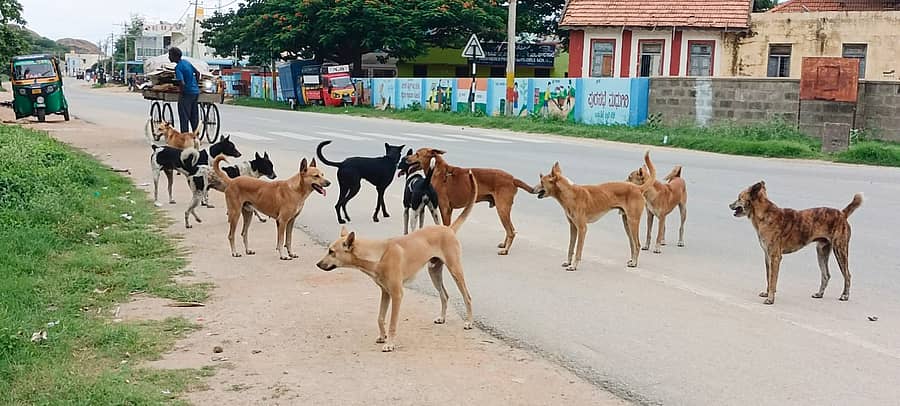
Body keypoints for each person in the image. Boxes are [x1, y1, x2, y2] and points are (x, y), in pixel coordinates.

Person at [169, 47, 200, 133]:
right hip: (195, 92)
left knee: (184, 117)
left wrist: (181, 92)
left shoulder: (178, 67)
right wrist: (195, 85)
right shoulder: (186, 62)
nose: (169, 57)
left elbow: (181, 83)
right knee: (194, 116)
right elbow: (198, 73)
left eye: (170, 55)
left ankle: (185, 137)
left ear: (174, 56)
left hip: (187, 93)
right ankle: (195, 136)